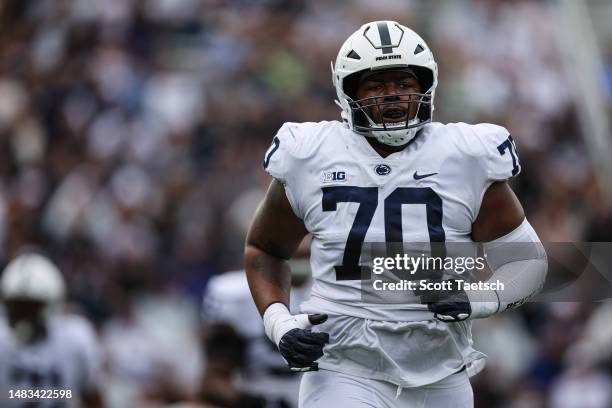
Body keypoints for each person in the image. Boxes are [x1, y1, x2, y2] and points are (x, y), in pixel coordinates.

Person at [245, 21, 548, 407]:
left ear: (426, 86)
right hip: (344, 368)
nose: (392, 96)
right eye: (375, 86)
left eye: (404, 84)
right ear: (348, 92)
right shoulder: (309, 154)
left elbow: (529, 264)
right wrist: (280, 324)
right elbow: (264, 249)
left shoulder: (467, 156)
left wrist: (477, 298)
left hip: (442, 372)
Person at [0, 252, 103, 408]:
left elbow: (93, 397)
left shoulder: (74, 340)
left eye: (30, 308)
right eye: (17, 307)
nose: (23, 317)